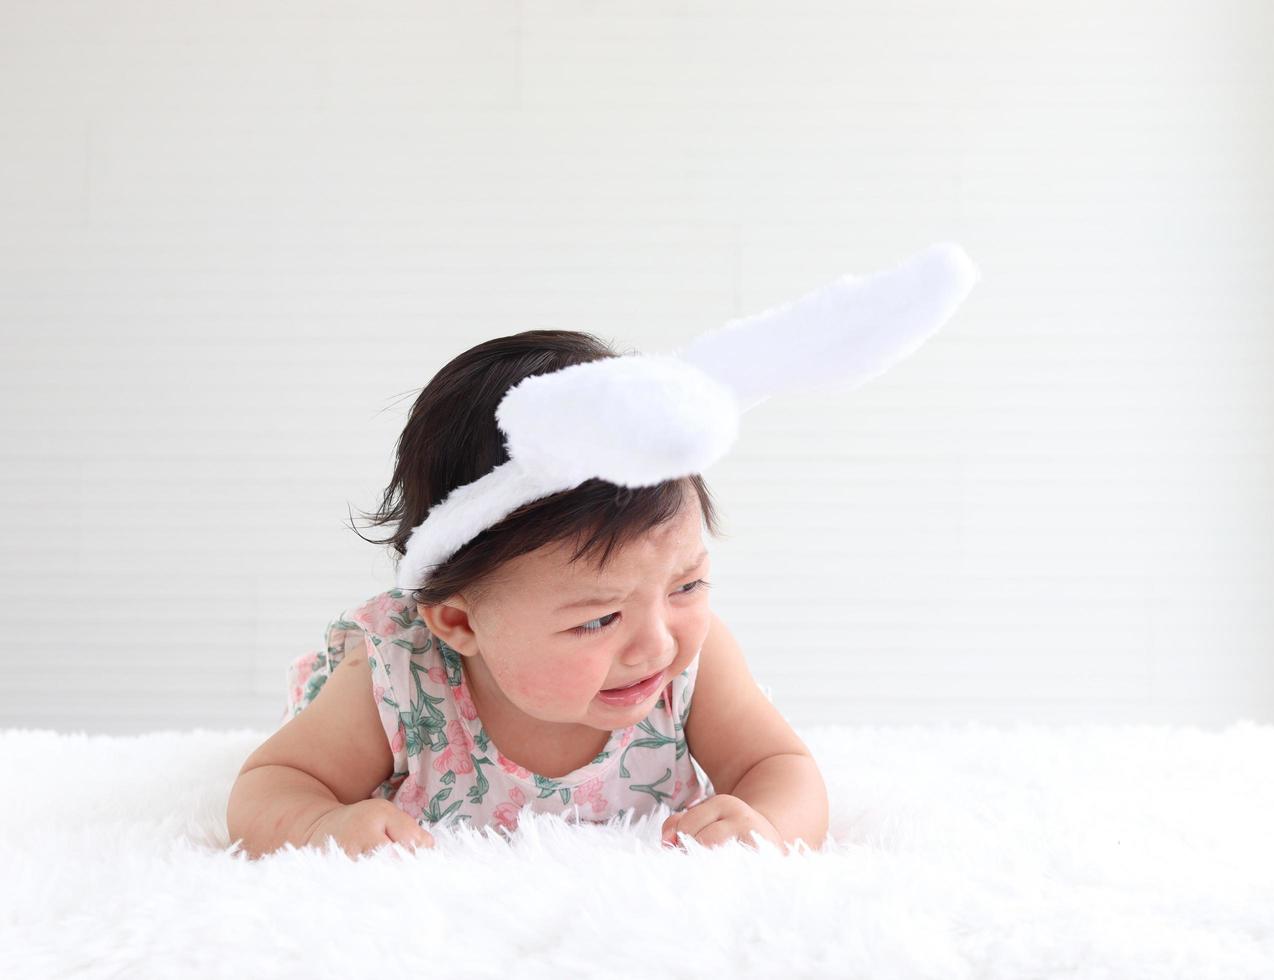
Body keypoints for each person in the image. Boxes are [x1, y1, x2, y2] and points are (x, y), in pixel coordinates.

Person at [226, 331, 829, 859]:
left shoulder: (693, 660)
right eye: (599, 620)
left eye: (688, 585)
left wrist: (767, 826)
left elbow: (780, 768)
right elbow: (274, 782)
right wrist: (323, 824)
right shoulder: (396, 678)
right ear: (459, 621)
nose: (656, 645)